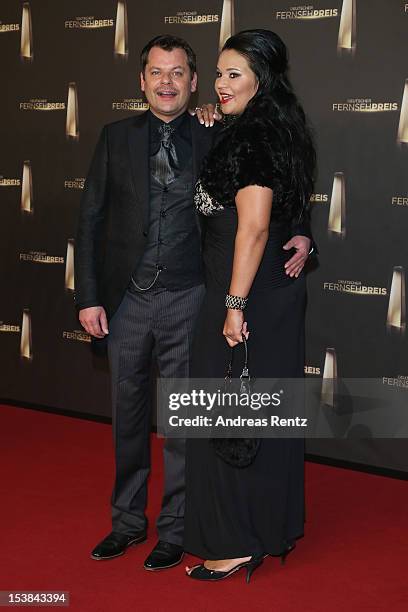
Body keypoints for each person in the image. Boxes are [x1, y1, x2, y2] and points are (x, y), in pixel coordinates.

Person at [75, 34, 313, 572]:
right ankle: (127, 523)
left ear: (193, 81)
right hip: (128, 301)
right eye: (156, 72)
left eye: (177, 71)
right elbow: (89, 220)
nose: (166, 81)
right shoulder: (115, 137)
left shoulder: (220, 130)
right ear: (141, 82)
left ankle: (177, 529)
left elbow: (273, 189)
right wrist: (88, 296)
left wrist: (302, 231)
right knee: (128, 418)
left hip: (192, 297)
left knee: (186, 426)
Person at [184, 29, 316, 581]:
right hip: (269, 295)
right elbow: (286, 208)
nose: (219, 83)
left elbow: (256, 228)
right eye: (218, 73)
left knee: (230, 414)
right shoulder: (275, 126)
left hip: (247, 295)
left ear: (262, 77)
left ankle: (237, 541)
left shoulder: (254, 136)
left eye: (233, 73)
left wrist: (234, 306)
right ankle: (268, 527)